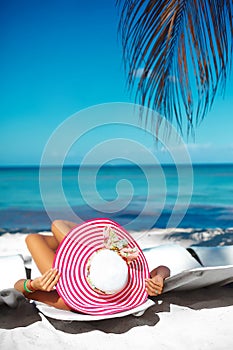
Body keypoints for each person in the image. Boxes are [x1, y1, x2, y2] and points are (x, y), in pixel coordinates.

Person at [14, 219, 170, 312]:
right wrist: (159, 277)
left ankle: (74, 243)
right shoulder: (125, 281)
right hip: (97, 256)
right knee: (54, 228)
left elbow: (19, 290)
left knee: (35, 237)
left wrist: (34, 284)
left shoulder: (68, 301)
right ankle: (74, 243)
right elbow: (163, 269)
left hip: (63, 272)